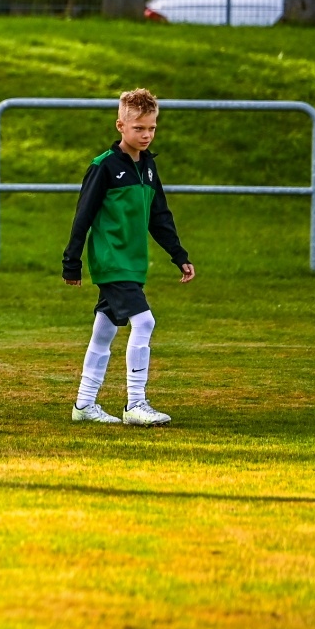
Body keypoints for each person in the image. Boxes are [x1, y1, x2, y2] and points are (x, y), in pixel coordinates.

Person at [63, 88, 195, 426]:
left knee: (104, 330)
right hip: (112, 260)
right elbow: (84, 215)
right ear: (120, 125)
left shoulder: (149, 168)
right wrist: (72, 261)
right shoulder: (103, 167)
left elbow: (159, 215)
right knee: (145, 321)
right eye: (139, 128)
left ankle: (84, 405)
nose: (146, 135)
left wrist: (177, 254)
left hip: (133, 262)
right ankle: (135, 403)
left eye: (151, 128)